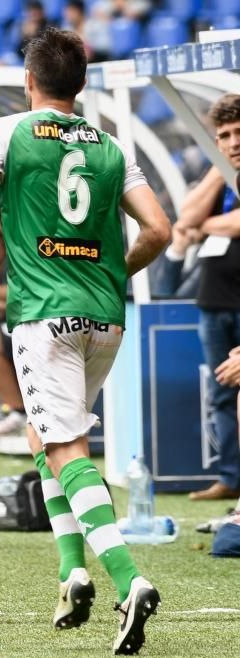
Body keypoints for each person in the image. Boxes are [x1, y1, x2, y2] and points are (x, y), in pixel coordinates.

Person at [0, 27, 169, 655]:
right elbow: (160, 230)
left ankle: (128, 579)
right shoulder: (112, 145)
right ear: (82, 84)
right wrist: (115, 272)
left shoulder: (8, 132)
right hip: (105, 316)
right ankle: (71, 571)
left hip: (44, 316)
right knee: (50, 436)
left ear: (29, 82)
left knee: (63, 446)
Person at [180, 95, 240, 502]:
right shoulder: (219, 176)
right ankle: (231, 478)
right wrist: (221, 171)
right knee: (221, 394)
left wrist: (206, 227)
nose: (234, 142)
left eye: (239, 133)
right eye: (224, 136)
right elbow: (185, 219)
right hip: (215, 301)